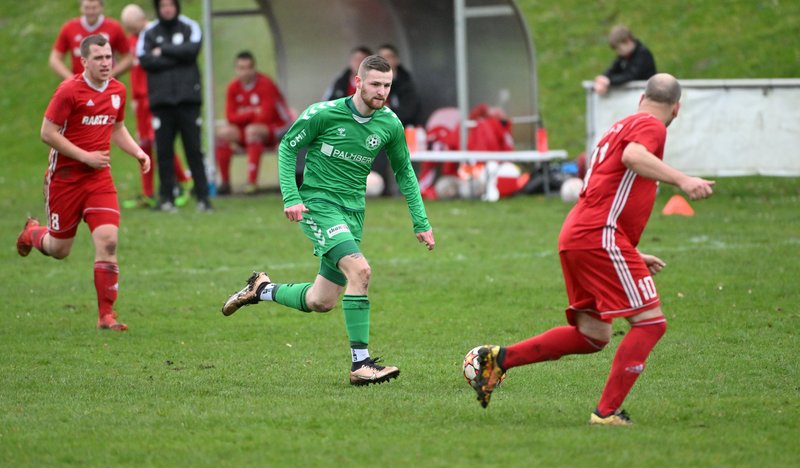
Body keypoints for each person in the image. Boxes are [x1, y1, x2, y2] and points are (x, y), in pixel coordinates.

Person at [471, 74, 715, 425]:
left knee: (593, 335)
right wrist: (683, 179)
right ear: (677, 108)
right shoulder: (651, 126)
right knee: (650, 323)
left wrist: (628, 252)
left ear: (641, 98)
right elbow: (633, 156)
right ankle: (606, 413)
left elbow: (609, 188)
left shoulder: (620, 126)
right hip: (599, 236)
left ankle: (499, 359)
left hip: (581, 235)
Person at [221, 55, 436, 386]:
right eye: (375, 84)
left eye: (387, 85)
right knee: (361, 271)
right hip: (319, 205)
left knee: (321, 301)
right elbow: (287, 147)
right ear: (358, 82)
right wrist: (292, 197)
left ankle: (261, 289)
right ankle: (361, 364)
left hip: (353, 212)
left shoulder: (390, 124)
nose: (381, 91)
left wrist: (421, 221)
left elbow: (405, 172)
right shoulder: (323, 113)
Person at [16, 34, 150, 331]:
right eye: (99, 58)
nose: (106, 63)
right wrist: (85, 156)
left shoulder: (117, 89)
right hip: (64, 179)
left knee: (108, 241)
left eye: (109, 57)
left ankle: (106, 316)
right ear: (84, 61)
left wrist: (138, 152)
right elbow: (47, 133)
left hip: (99, 179)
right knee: (59, 249)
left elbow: (117, 128)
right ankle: (32, 233)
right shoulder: (69, 91)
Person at [137, 0, 211, 212]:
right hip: (162, 102)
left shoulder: (190, 26)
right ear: (158, 8)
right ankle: (167, 198)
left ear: (177, 6)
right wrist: (178, 56)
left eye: (170, 4)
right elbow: (145, 60)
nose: (167, 9)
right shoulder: (149, 32)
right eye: (163, 5)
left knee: (194, 150)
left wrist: (163, 50)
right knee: (164, 152)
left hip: (188, 100)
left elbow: (192, 51)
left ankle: (203, 198)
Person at [120, 3, 192, 209]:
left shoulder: (156, 36)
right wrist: (134, 99)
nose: (131, 32)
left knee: (160, 142)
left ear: (142, 19)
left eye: (133, 27)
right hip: (141, 101)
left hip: (156, 98)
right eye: (129, 29)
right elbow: (134, 72)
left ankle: (184, 181)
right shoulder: (133, 40)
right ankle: (148, 193)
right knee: (143, 144)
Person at [215, 51, 292, 195]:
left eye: (248, 68)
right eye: (241, 68)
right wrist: (252, 113)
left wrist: (242, 115)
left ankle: (252, 183)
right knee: (223, 133)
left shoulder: (266, 84)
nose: (245, 72)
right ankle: (225, 183)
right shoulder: (233, 87)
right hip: (248, 130)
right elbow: (230, 117)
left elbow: (265, 117)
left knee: (252, 130)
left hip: (275, 130)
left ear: (254, 68)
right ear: (236, 69)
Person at [49, 0, 132, 81]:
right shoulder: (69, 28)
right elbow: (55, 59)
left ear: (101, 7)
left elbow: (128, 58)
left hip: (106, 85)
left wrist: (111, 74)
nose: (91, 12)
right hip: (79, 86)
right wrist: (72, 79)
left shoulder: (114, 28)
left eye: (94, 8)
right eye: (87, 8)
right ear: (80, 7)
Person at [594, 25, 657, 96]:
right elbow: (613, 69)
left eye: (619, 49)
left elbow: (630, 75)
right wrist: (603, 78)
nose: (618, 52)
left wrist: (609, 81)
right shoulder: (623, 56)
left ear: (627, 40)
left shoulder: (643, 54)